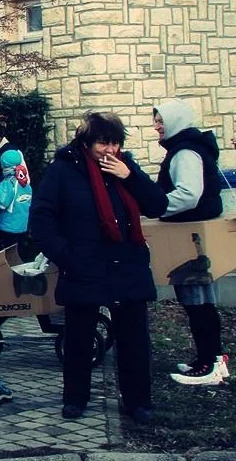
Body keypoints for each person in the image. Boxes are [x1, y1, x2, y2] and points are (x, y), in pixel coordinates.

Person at [30, 112, 168, 422]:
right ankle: (75, 398)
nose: (109, 150)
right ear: (86, 143)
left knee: (133, 340)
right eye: (103, 143)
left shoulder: (125, 166)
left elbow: (158, 205)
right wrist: (66, 255)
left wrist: (128, 176)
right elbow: (40, 218)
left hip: (127, 265)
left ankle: (137, 402)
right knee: (79, 338)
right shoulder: (64, 170)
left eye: (115, 143)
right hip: (84, 266)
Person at [153, 99, 228, 386]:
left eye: (161, 121)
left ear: (176, 121)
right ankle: (209, 360)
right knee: (201, 304)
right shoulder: (189, 148)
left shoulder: (184, 152)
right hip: (192, 237)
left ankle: (209, 365)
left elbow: (188, 195)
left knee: (198, 304)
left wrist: (155, 205)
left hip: (188, 240)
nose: (157, 126)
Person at [0, 149, 32, 257]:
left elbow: (2, 203)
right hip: (21, 225)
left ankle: (7, 273)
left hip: (7, 226)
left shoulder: (8, 182)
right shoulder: (24, 180)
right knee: (19, 254)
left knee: (8, 255)